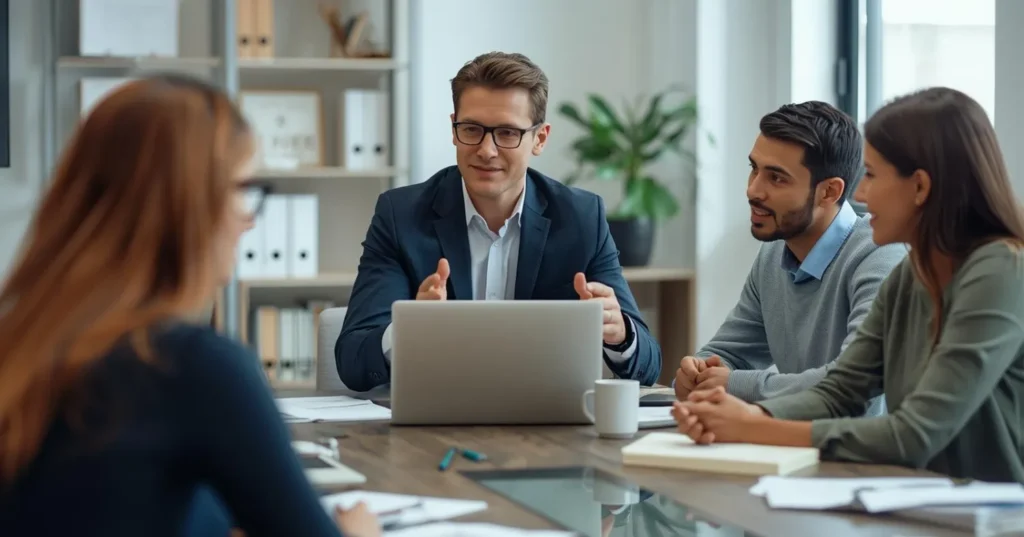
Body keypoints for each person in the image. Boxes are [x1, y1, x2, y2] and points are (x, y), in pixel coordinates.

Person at [0, 74, 380, 536]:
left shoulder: (21, 342)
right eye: (243, 191)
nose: (248, 220)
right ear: (189, 204)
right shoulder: (193, 365)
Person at [672, 87, 1024, 483]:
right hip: (920, 507)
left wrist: (752, 424)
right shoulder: (912, 274)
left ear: (920, 187)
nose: (859, 193)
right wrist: (739, 414)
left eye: (871, 175)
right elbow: (839, 393)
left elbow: (915, 433)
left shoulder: (1000, 270)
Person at [336, 51, 662, 392]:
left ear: (540, 138)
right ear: (454, 129)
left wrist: (619, 331)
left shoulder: (581, 218)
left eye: (507, 133)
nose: (487, 150)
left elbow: (649, 366)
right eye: (472, 129)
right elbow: (353, 361)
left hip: (548, 425)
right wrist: (409, 328)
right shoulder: (400, 215)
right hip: (433, 421)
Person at [673, 101, 906, 413]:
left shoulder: (881, 255)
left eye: (776, 178)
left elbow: (853, 383)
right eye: (753, 169)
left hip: (861, 459)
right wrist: (696, 373)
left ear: (829, 192)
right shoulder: (774, 253)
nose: (753, 190)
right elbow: (728, 353)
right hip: (790, 449)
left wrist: (733, 383)